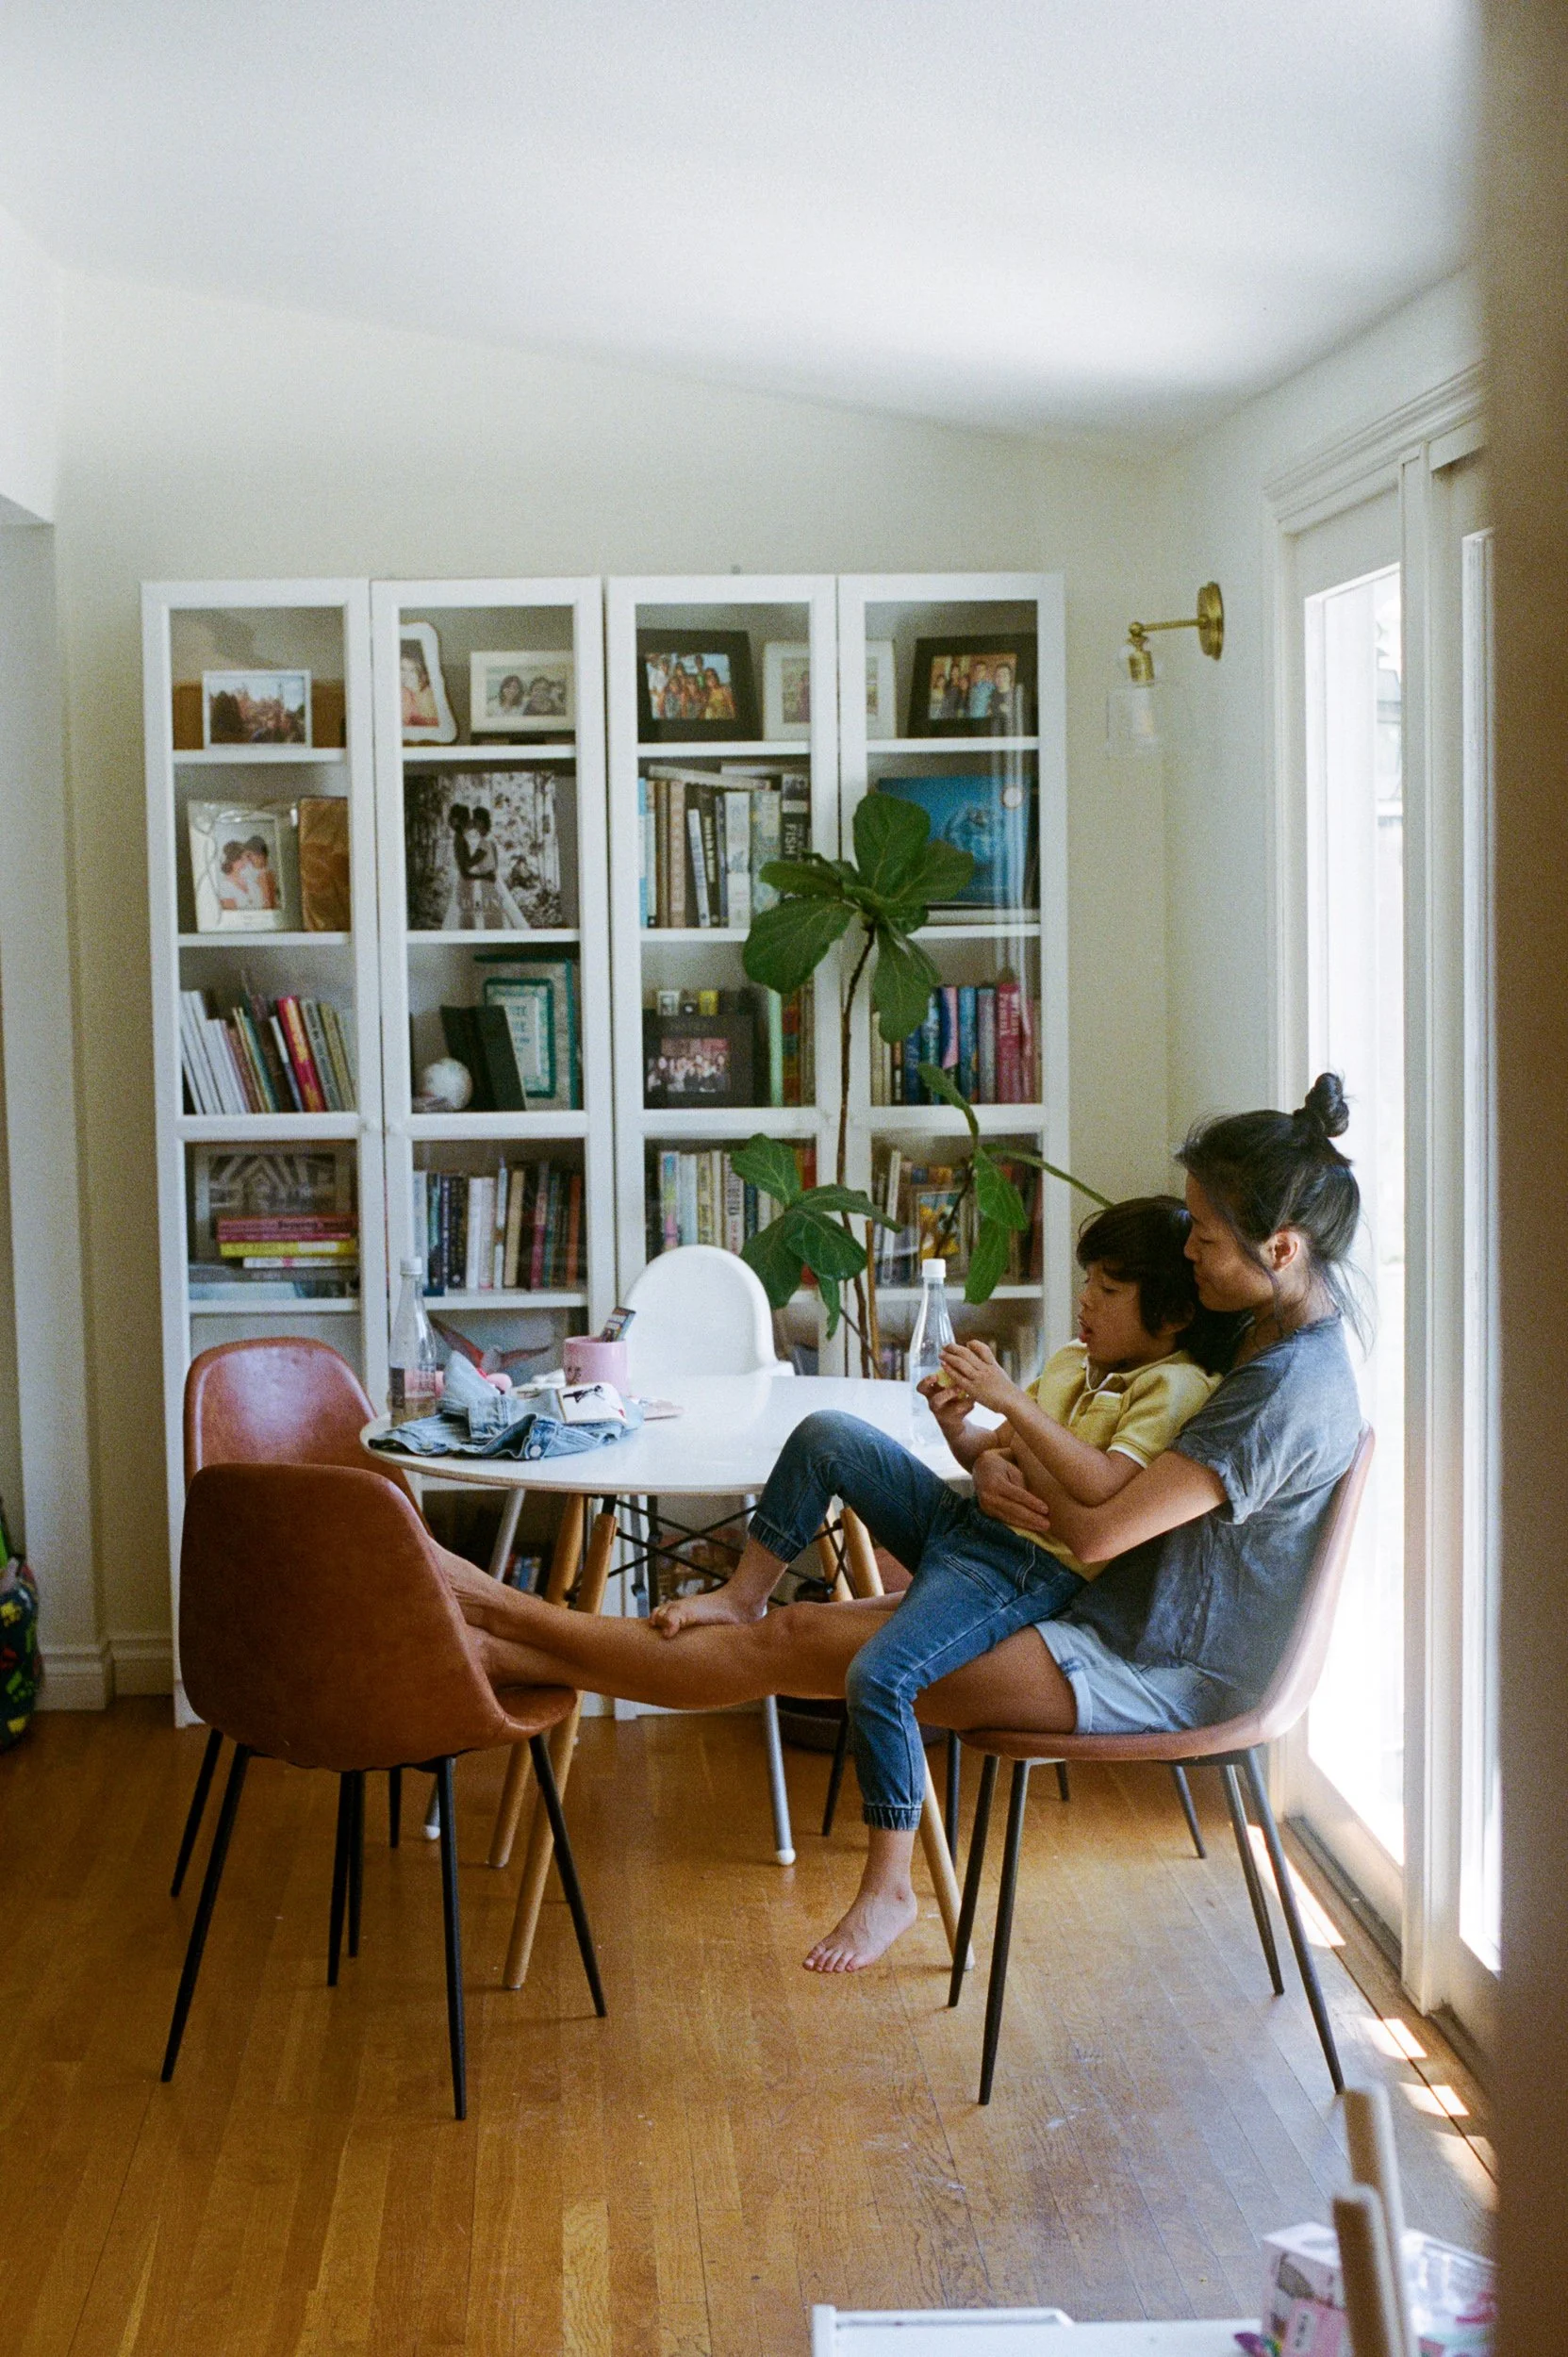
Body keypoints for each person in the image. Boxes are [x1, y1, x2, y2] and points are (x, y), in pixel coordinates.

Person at [446, 1077, 1364, 1976]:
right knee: (797, 1621)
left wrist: (1013, 1439)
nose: (1193, 1253)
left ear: (1280, 1248)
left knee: (813, 1643)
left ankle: (492, 1618)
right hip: (1107, 1613)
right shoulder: (1253, 1333)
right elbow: (1086, 1461)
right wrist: (993, 1456)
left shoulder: (1278, 1385)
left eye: (1205, 1236)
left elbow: (1095, 1533)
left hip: (1151, 1663)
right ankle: (495, 1638)